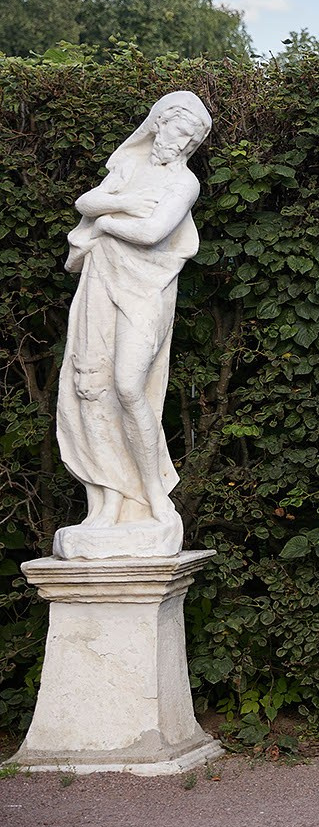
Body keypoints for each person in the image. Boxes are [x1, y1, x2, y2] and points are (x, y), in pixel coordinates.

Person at [53, 91, 213, 559]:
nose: (182, 145)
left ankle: (154, 495)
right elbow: (85, 200)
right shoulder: (127, 166)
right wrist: (119, 206)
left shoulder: (185, 184)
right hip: (103, 281)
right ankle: (108, 500)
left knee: (128, 386)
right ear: (159, 124)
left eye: (192, 140)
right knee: (93, 386)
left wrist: (105, 222)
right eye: (179, 132)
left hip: (148, 290)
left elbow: (151, 233)